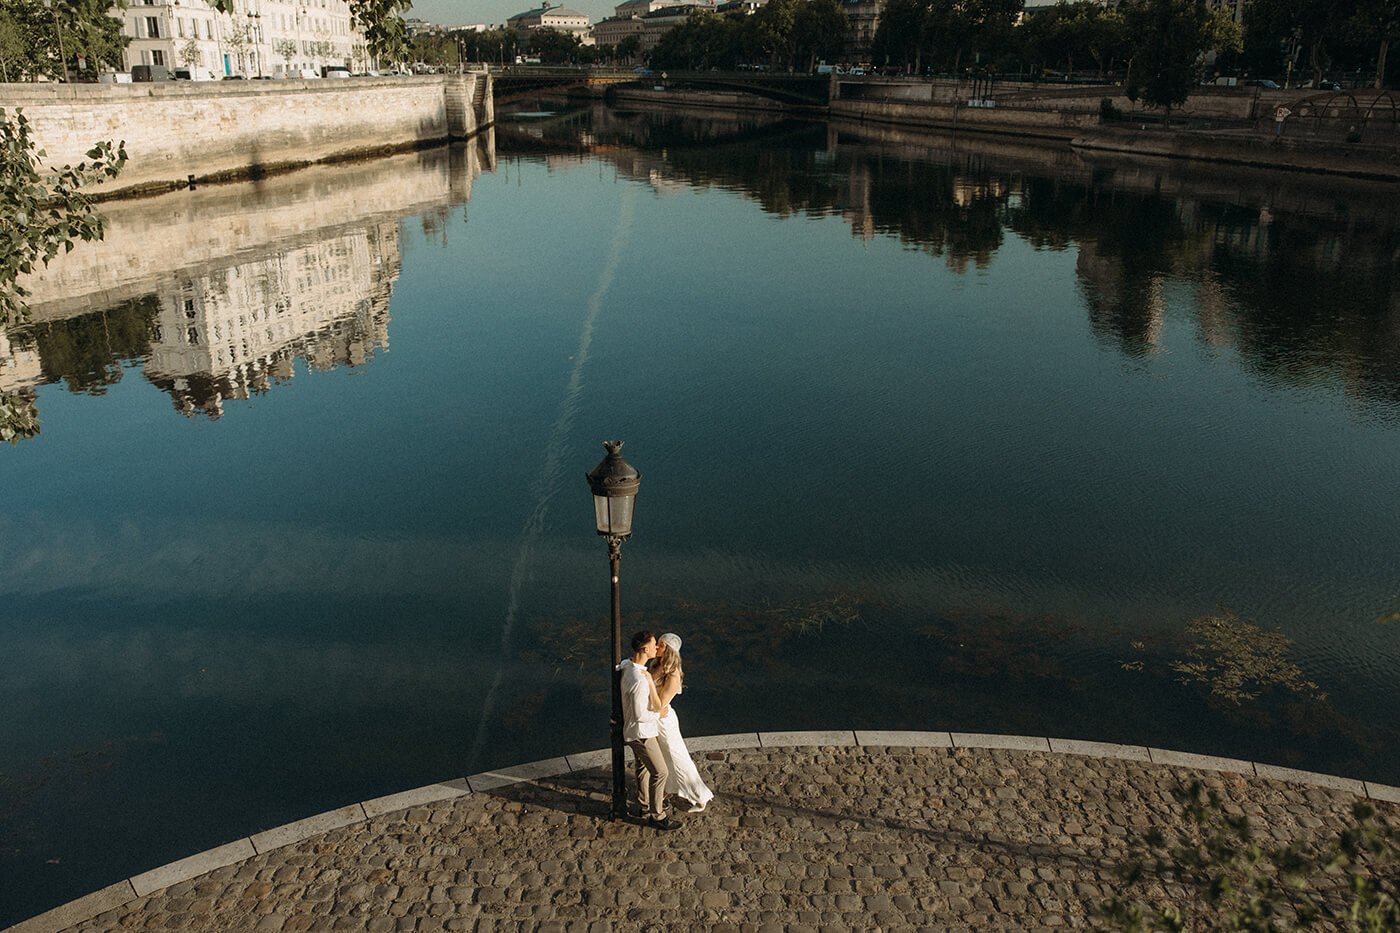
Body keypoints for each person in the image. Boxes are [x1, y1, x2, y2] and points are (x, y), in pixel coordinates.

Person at [619, 630, 680, 831]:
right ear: (645, 649)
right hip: (642, 733)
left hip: (636, 731)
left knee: (643, 768)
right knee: (661, 772)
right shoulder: (639, 680)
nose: (657, 648)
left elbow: (625, 665)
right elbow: (639, 715)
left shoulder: (630, 667)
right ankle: (657, 815)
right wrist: (658, 715)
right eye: (654, 645)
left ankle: (644, 805)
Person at [649, 632, 714, 813]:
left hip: (664, 722)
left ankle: (700, 797)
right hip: (655, 719)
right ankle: (667, 790)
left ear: (664, 646)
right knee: (663, 758)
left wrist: (646, 681)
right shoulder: (657, 664)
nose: (655, 647)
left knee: (677, 758)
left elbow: (661, 704)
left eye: (659, 644)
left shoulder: (673, 673)